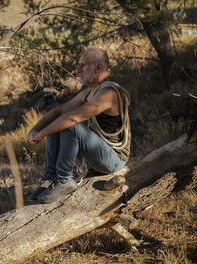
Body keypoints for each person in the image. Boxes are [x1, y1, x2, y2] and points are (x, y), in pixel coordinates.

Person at [27, 47, 131, 203]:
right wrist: (36, 129)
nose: (78, 70)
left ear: (98, 67)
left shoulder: (109, 92)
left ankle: (64, 180)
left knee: (70, 125)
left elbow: (74, 118)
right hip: (98, 155)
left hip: (114, 159)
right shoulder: (89, 92)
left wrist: (42, 134)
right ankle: (50, 179)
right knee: (58, 123)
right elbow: (59, 111)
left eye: (83, 65)